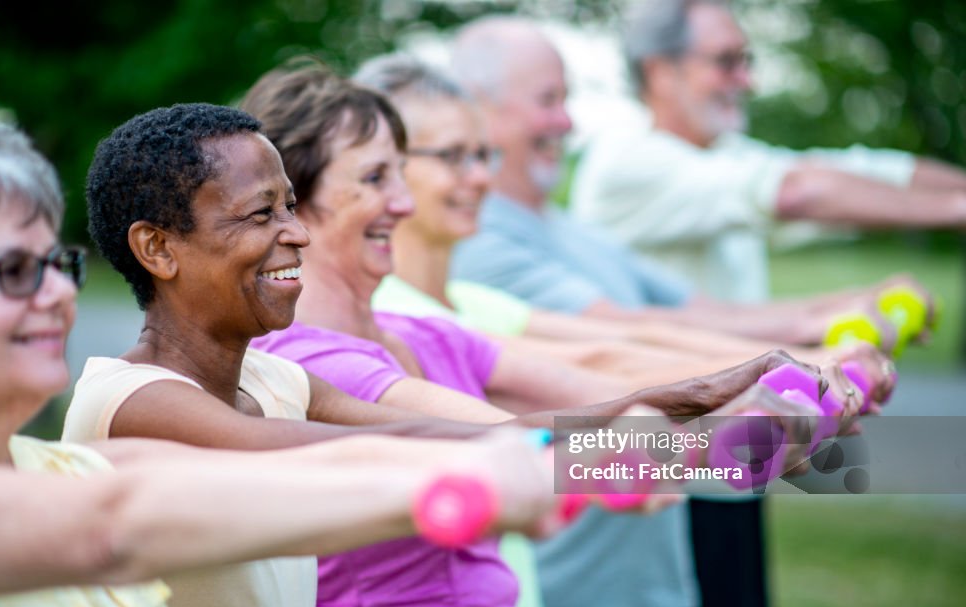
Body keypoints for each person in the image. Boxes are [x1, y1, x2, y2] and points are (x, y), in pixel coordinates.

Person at [237, 61, 846, 607]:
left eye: (400, 172)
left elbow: (597, 374)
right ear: (293, 207)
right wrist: (703, 443)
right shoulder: (311, 360)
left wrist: (768, 383)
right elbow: (519, 443)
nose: (404, 200)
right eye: (374, 178)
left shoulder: (424, 335)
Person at [0, 117, 557, 607]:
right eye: (15, 270)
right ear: (157, 249)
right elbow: (326, 466)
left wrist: (630, 446)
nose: (56, 290)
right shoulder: (133, 410)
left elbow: (422, 437)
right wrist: (502, 470)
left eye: (56, 264)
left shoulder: (76, 472)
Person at [444, 16, 872, 607]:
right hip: (564, 600)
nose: (567, 122)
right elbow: (608, 354)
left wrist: (829, 323)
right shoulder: (473, 256)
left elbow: (671, 323)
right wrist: (780, 374)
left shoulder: (560, 233)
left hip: (647, 576)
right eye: (548, 99)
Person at [354, 51, 898, 390]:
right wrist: (697, 444)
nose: (479, 178)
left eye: (483, 155)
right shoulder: (390, 321)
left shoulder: (476, 304)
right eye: (453, 157)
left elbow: (624, 342)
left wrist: (801, 361)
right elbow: (516, 435)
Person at [571, 0, 966, 303]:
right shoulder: (626, 159)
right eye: (726, 61)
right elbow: (796, 192)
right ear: (660, 73)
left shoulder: (725, 154)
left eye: (747, 61)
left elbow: (858, 171)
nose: (747, 81)